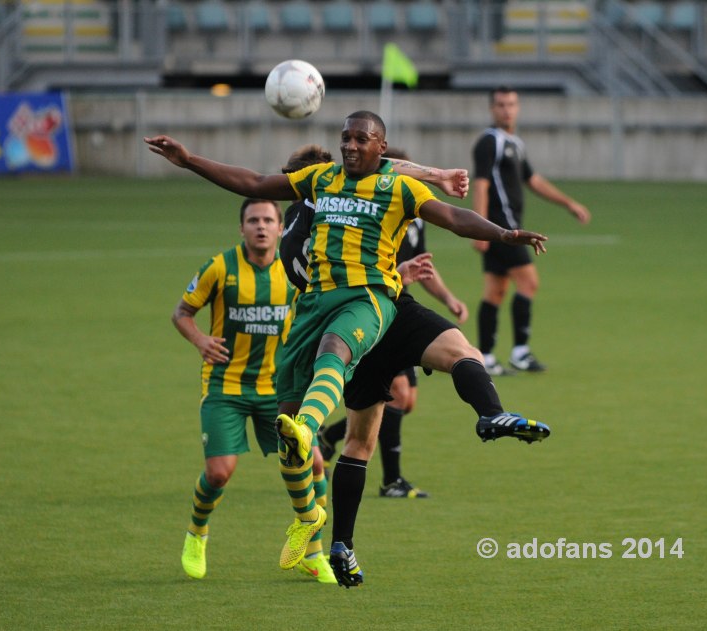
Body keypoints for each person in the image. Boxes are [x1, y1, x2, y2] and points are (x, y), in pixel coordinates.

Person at [145, 110, 548, 585]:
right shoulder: (320, 181)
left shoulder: (398, 187)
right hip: (313, 307)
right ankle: (323, 530)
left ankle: (489, 414)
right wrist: (189, 160)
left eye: (362, 139)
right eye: (345, 138)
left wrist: (503, 233)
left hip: (371, 300)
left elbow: (454, 217)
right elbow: (253, 180)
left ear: (382, 147)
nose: (350, 145)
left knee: (420, 352)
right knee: (326, 445)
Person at [277, 143, 551, 587]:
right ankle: (333, 532)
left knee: (370, 432)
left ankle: (490, 414)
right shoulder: (323, 204)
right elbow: (393, 178)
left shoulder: (324, 206)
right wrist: (440, 178)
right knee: (362, 436)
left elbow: (393, 169)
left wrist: (438, 175)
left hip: (381, 309)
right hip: (367, 313)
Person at [175, 198, 335, 584]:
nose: (260, 226)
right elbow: (182, 313)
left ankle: (312, 552)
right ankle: (197, 533)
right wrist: (199, 340)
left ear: (282, 228)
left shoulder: (296, 270)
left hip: (278, 390)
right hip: (225, 386)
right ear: (241, 228)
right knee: (219, 473)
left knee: (314, 464)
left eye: (268, 220)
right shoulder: (219, 267)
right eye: (253, 220)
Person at [317, 147, 470, 500]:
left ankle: (331, 436)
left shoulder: (416, 215)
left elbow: (422, 266)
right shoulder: (373, 210)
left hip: (402, 305)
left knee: (405, 401)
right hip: (375, 311)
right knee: (397, 395)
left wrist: (448, 299)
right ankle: (392, 480)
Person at [472, 86, 591, 376]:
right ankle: (520, 353)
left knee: (496, 291)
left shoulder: (515, 143)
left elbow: (533, 180)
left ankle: (486, 357)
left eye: (511, 104)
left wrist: (568, 203)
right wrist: (479, 228)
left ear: (518, 107)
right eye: (501, 104)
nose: (507, 110)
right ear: (492, 109)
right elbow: (481, 184)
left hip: (501, 230)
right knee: (529, 282)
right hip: (503, 229)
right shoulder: (489, 142)